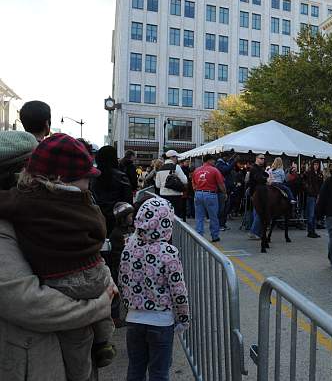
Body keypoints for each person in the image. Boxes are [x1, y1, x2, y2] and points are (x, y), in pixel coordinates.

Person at [0, 130, 116, 381]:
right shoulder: (14, 218)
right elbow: (26, 302)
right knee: (80, 353)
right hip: (36, 358)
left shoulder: (30, 203)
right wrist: (99, 304)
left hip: (48, 351)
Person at [119, 196, 190, 380]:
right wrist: (183, 318)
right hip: (161, 321)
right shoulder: (168, 252)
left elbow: (123, 281)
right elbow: (178, 291)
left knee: (135, 369)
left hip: (134, 319)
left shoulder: (129, 248)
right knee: (159, 372)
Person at [91, 145, 133, 236]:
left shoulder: (93, 176)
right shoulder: (121, 176)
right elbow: (128, 199)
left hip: (96, 216)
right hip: (117, 218)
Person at [192, 154, 227, 242]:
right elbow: (221, 184)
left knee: (199, 217)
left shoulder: (196, 170)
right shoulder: (214, 170)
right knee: (213, 216)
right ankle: (215, 236)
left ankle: (199, 236)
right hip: (210, 194)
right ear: (210, 160)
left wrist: (197, 191)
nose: (214, 162)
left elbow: (193, 184)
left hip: (198, 193)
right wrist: (224, 193)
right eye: (213, 160)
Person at [156, 149, 188, 218]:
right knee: (175, 217)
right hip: (175, 196)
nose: (177, 159)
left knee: (165, 216)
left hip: (163, 196)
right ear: (172, 157)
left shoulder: (160, 168)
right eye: (176, 157)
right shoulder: (176, 167)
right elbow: (185, 181)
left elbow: (157, 185)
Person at [247, 154, 269, 240]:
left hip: (258, 192)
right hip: (256, 193)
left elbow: (264, 175)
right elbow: (258, 178)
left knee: (256, 213)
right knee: (259, 213)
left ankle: (257, 232)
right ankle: (253, 232)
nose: (263, 160)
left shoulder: (259, 168)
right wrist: (266, 179)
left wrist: (267, 174)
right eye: (261, 158)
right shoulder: (254, 168)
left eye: (264, 158)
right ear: (256, 159)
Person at [303, 159, 324, 238]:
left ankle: (313, 231)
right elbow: (303, 181)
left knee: (315, 214)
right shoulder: (308, 173)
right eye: (315, 164)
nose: (316, 166)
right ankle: (310, 231)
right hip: (311, 196)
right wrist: (309, 190)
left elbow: (321, 185)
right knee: (311, 214)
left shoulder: (319, 174)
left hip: (317, 196)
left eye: (317, 164)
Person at [216, 155, 236, 231]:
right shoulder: (219, 164)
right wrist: (234, 161)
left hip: (227, 190)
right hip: (222, 191)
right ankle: (219, 225)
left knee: (225, 209)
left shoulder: (224, 163)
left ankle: (223, 224)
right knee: (221, 209)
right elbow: (226, 170)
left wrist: (232, 159)